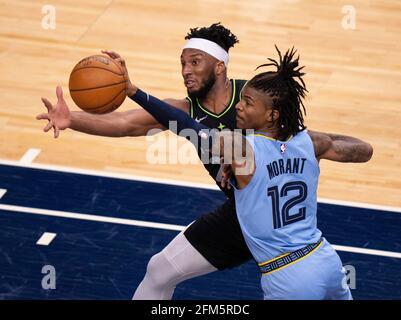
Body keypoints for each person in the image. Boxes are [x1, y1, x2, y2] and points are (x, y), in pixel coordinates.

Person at [37, 24, 372, 299]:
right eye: (183, 63)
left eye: (195, 62)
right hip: (247, 218)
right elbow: (125, 124)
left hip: (276, 233)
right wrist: (72, 120)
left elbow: (221, 137)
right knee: (159, 271)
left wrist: (133, 89)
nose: (186, 71)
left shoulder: (257, 96)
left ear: (220, 66)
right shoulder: (186, 108)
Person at [124, 46, 373, 299]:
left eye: (248, 103)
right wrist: (304, 138)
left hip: (288, 276)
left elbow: (187, 125)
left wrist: (134, 92)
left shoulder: (241, 149)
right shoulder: (310, 143)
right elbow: (364, 150)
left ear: (272, 115)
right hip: (326, 262)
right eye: (241, 99)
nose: (239, 107)